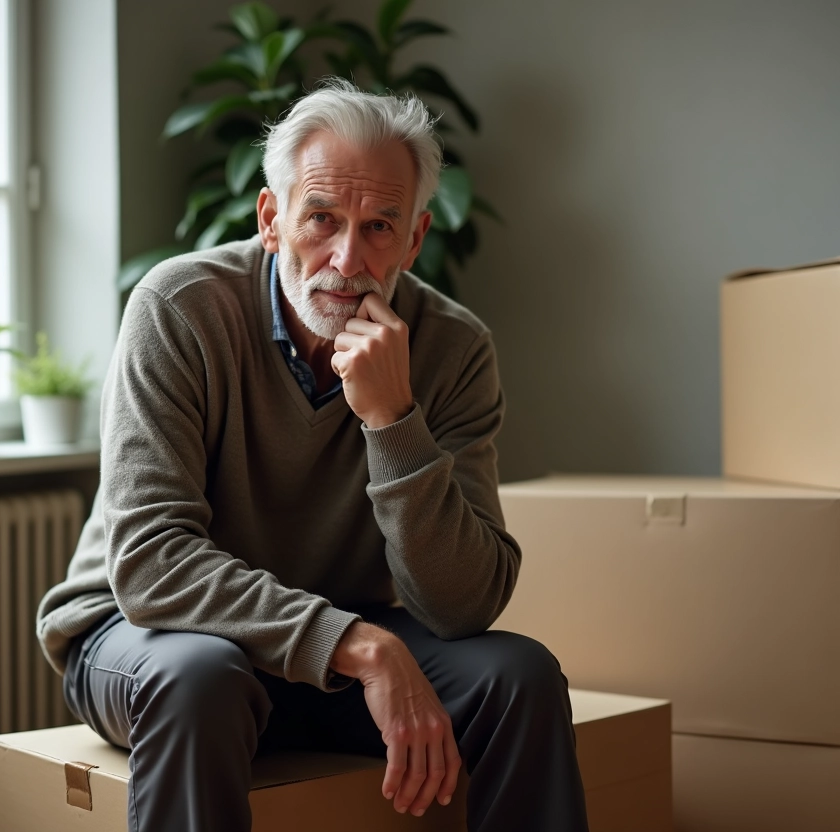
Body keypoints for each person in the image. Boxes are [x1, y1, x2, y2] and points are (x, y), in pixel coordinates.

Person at [36, 78, 588, 832]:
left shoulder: (455, 348)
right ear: (272, 217)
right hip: (151, 638)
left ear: (417, 237)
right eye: (321, 218)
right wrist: (358, 645)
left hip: (327, 650)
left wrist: (393, 420)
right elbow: (152, 563)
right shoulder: (179, 307)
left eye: (380, 227)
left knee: (519, 676)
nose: (346, 258)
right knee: (202, 676)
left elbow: (465, 604)